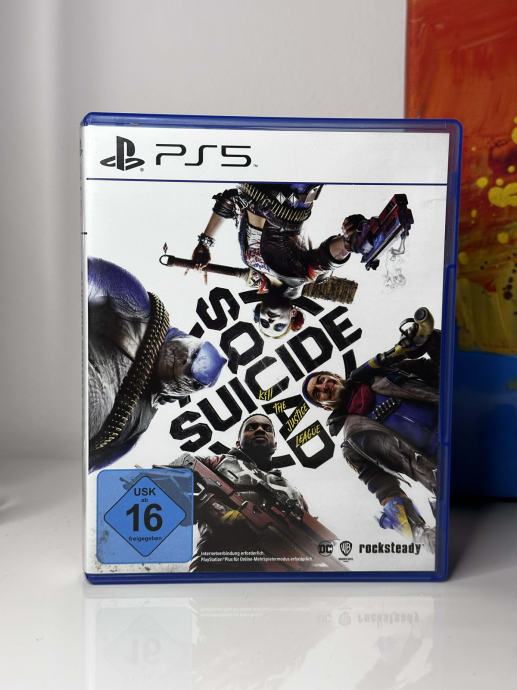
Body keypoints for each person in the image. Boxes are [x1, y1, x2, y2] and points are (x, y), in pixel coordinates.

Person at [301, 309, 441, 551]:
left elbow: (442, 370)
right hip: (445, 473)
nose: (324, 386)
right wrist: (419, 533)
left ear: (336, 376)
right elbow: (384, 489)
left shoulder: (388, 373)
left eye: (323, 379)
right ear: (325, 406)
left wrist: (430, 340)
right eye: (317, 393)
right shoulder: (352, 444)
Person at [88, 256, 226, 471]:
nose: (185, 362)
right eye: (193, 355)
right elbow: (76, 267)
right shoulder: (138, 310)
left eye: (193, 377)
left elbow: (79, 468)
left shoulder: (137, 427)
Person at [166, 413, 341, 573]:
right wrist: (213, 507)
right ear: (238, 442)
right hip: (218, 566)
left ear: (275, 444)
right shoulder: (217, 462)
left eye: (267, 428)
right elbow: (168, 478)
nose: (260, 430)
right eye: (251, 427)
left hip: (279, 579)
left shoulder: (293, 493)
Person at [189, 183, 364, 337]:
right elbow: (328, 258)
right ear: (293, 313)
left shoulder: (250, 264)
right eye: (279, 326)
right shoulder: (301, 275)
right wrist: (349, 241)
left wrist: (204, 243)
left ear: (259, 311)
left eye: (264, 323)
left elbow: (232, 200)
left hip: (254, 180)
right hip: (291, 188)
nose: (270, 321)